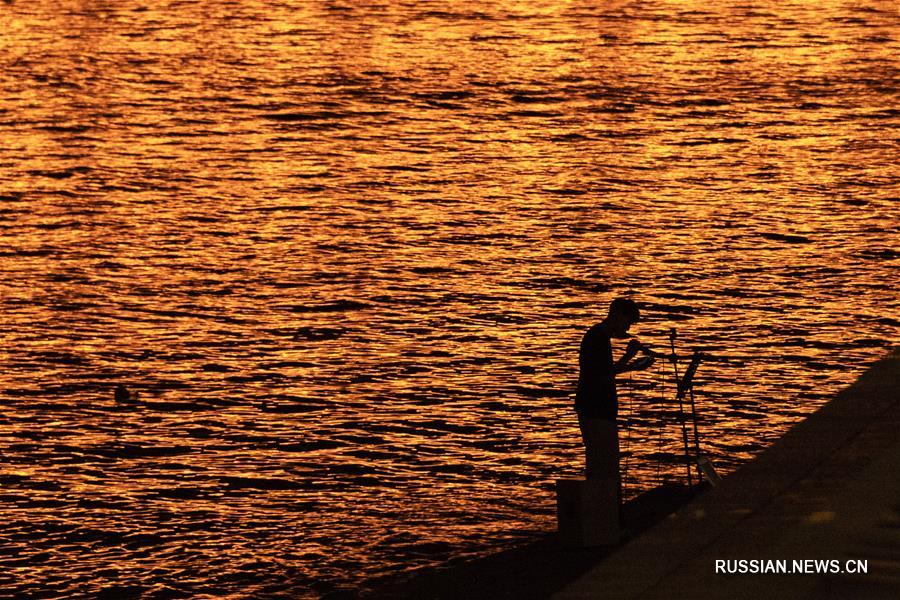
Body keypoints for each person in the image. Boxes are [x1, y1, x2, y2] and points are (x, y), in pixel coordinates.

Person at [575, 298, 654, 500]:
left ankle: (603, 513)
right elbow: (603, 375)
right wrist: (629, 359)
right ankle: (603, 514)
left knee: (603, 466)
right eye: (627, 323)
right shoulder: (596, 339)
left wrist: (632, 365)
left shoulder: (600, 338)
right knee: (604, 469)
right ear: (618, 316)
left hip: (598, 411)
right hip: (596, 412)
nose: (627, 328)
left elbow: (605, 372)